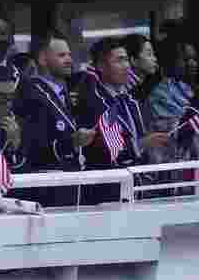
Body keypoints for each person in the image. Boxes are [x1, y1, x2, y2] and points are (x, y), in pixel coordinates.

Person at [77, 38, 170, 204]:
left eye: (126, 59)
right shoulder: (98, 103)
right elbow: (115, 150)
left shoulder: (130, 101)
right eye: (119, 60)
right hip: (108, 195)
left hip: (138, 189)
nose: (126, 66)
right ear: (101, 66)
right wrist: (144, 143)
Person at [18, 30, 93, 207]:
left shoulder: (64, 91)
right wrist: (71, 142)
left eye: (69, 54)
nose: (69, 60)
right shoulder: (31, 93)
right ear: (43, 59)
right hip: (47, 194)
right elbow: (32, 149)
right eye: (61, 55)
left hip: (70, 188)